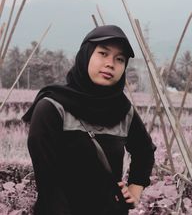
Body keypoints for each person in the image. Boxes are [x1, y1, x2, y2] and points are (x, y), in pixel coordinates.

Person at [22, 24, 156, 215]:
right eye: (103, 54)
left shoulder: (123, 111)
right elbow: (48, 184)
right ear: (86, 55)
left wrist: (135, 189)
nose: (111, 63)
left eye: (119, 59)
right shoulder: (52, 108)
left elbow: (144, 151)